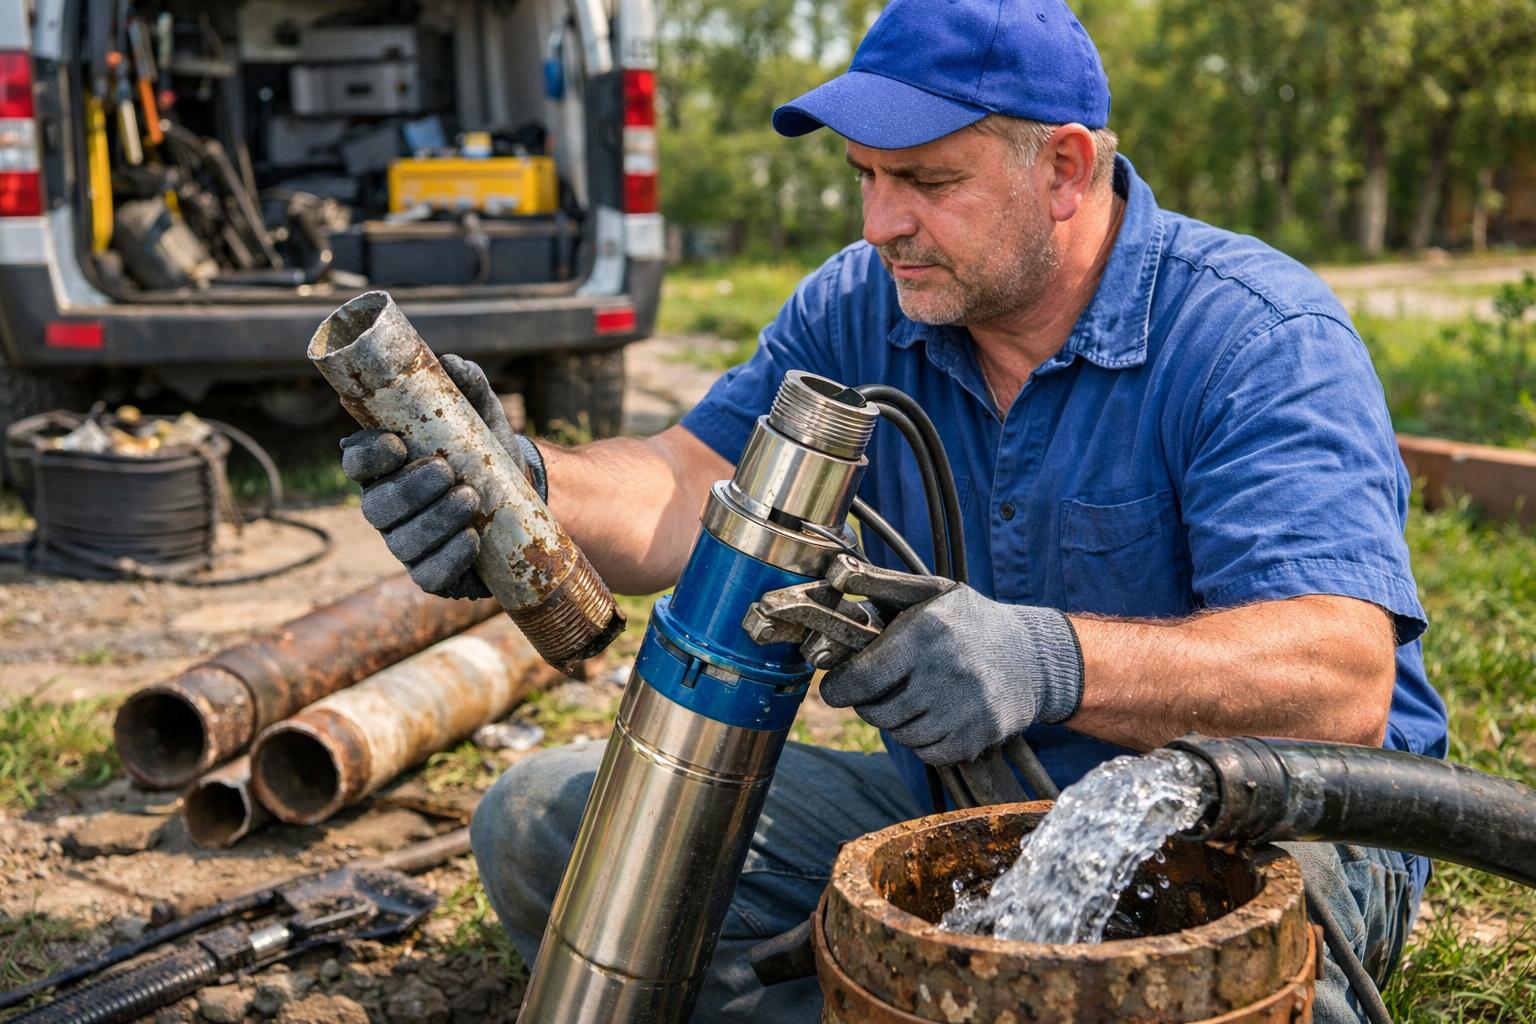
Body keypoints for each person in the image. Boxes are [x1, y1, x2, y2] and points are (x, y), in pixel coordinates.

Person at [339, 1, 1447, 1020]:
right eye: (865, 176)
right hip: (963, 818)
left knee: (1175, 986)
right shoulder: (863, 309)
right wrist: (524, 483)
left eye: (925, 180)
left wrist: (1049, 659)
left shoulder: (1254, 337)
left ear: (1064, 167)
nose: (881, 222)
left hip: (1263, 829)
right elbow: (686, 489)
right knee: (550, 824)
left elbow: (1338, 682)